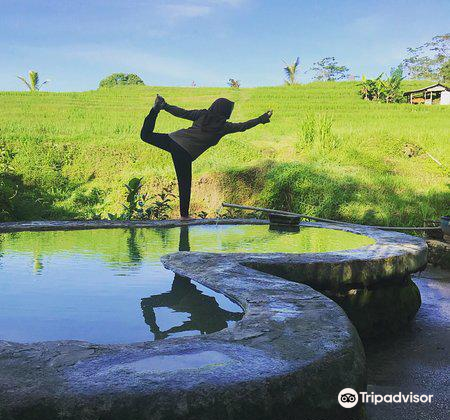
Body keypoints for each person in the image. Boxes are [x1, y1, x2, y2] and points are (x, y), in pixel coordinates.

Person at [140, 95, 273, 220]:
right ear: (225, 112)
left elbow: (182, 112)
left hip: (173, 141)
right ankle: (184, 216)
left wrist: (165, 106)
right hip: (185, 153)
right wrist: (261, 119)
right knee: (184, 183)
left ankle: (155, 110)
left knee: (146, 135)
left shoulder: (203, 114)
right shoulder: (224, 126)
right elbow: (243, 126)